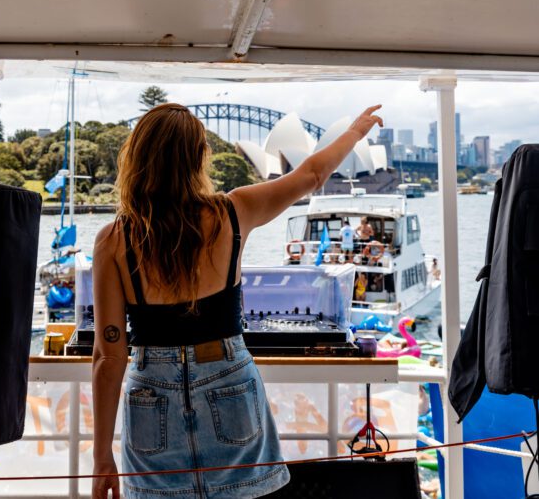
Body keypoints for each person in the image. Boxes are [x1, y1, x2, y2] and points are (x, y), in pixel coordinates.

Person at [91, 102, 383, 499]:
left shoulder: (113, 240)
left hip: (150, 397)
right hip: (228, 379)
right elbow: (312, 174)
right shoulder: (232, 212)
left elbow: (108, 356)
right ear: (199, 157)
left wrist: (101, 456)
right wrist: (354, 132)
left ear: (136, 158)